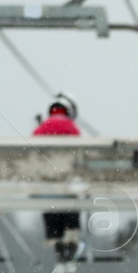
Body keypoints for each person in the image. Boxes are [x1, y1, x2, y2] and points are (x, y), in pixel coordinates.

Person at [33, 94, 83, 262]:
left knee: (51, 203)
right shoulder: (72, 128)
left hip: (48, 186)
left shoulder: (40, 130)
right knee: (70, 202)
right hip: (68, 185)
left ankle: (56, 240)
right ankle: (71, 239)